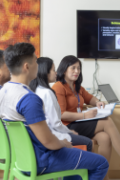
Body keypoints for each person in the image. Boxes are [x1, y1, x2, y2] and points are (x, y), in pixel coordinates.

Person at [0, 43, 108, 180]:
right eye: (35, 61)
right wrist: (63, 142)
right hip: (41, 160)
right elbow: (48, 141)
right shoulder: (29, 99)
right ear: (26, 67)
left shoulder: (3, 91)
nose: (38, 65)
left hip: (20, 160)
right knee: (101, 163)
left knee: (76, 161)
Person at [52, 55, 120, 180]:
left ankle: (103, 176)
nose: (77, 71)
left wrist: (97, 102)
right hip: (67, 126)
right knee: (107, 121)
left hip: (80, 124)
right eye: (73, 68)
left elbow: (89, 98)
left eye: (79, 68)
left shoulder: (77, 87)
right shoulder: (58, 86)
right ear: (64, 69)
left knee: (105, 138)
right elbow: (61, 114)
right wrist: (84, 115)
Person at [29, 57, 93, 151]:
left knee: (102, 136)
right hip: (52, 134)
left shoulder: (36, 89)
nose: (56, 72)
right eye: (53, 70)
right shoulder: (48, 92)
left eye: (78, 68)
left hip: (44, 133)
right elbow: (55, 123)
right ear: (45, 72)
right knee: (88, 142)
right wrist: (69, 131)